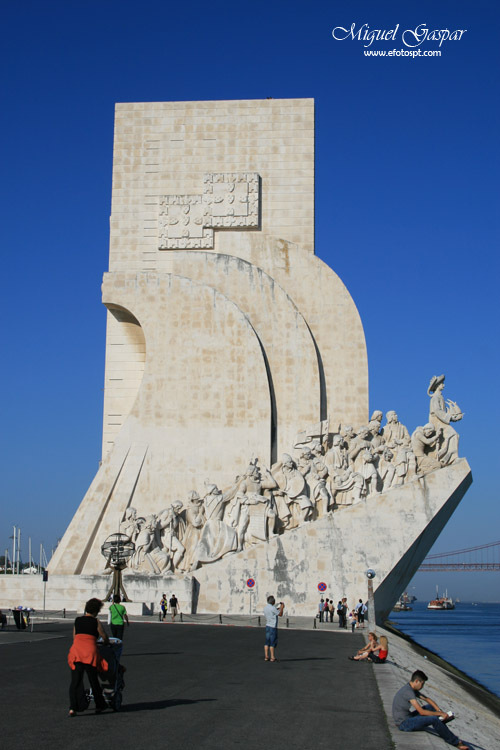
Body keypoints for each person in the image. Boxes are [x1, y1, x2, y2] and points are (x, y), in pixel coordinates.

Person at [392, 670, 469, 749]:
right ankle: (455, 742)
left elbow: (427, 699)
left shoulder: (410, 688)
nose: (422, 687)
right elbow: (421, 712)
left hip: (407, 717)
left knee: (430, 707)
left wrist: (439, 711)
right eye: (422, 684)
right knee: (434, 719)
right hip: (404, 724)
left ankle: (441, 724)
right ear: (417, 681)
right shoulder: (408, 692)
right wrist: (440, 714)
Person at [68, 598, 110, 717]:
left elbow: (74, 636)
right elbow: (103, 635)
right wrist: (106, 642)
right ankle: (99, 705)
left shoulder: (77, 620)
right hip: (89, 653)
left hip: (76, 652)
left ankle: (73, 707)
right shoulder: (96, 621)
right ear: (97, 611)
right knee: (93, 680)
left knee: (75, 681)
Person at [263, 595, 284, 662]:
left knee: (267, 641)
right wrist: (282, 608)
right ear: (273, 601)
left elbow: (273, 612)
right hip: (273, 626)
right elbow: (280, 614)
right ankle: (272, 657)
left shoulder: (265, 608)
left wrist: (278, 608)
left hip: (267, 625)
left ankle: (266, 656)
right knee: (272, 642)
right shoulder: (272, 608)